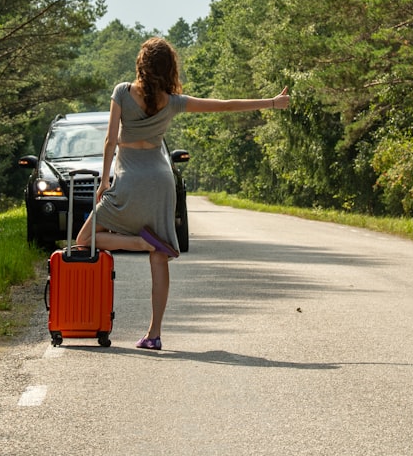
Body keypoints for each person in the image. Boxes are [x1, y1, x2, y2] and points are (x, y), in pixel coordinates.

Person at [75, 36, 290, 350]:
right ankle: (154, 334)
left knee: (85, 238)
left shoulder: (122, 92)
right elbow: (225, 106)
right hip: (161, 183)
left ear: (141, 64)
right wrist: (271, 102)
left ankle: (137, 242)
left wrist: (104, 182)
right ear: (169, 68)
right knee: (159, 255)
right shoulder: (173, 101)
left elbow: (110, 142)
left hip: (130, 181)